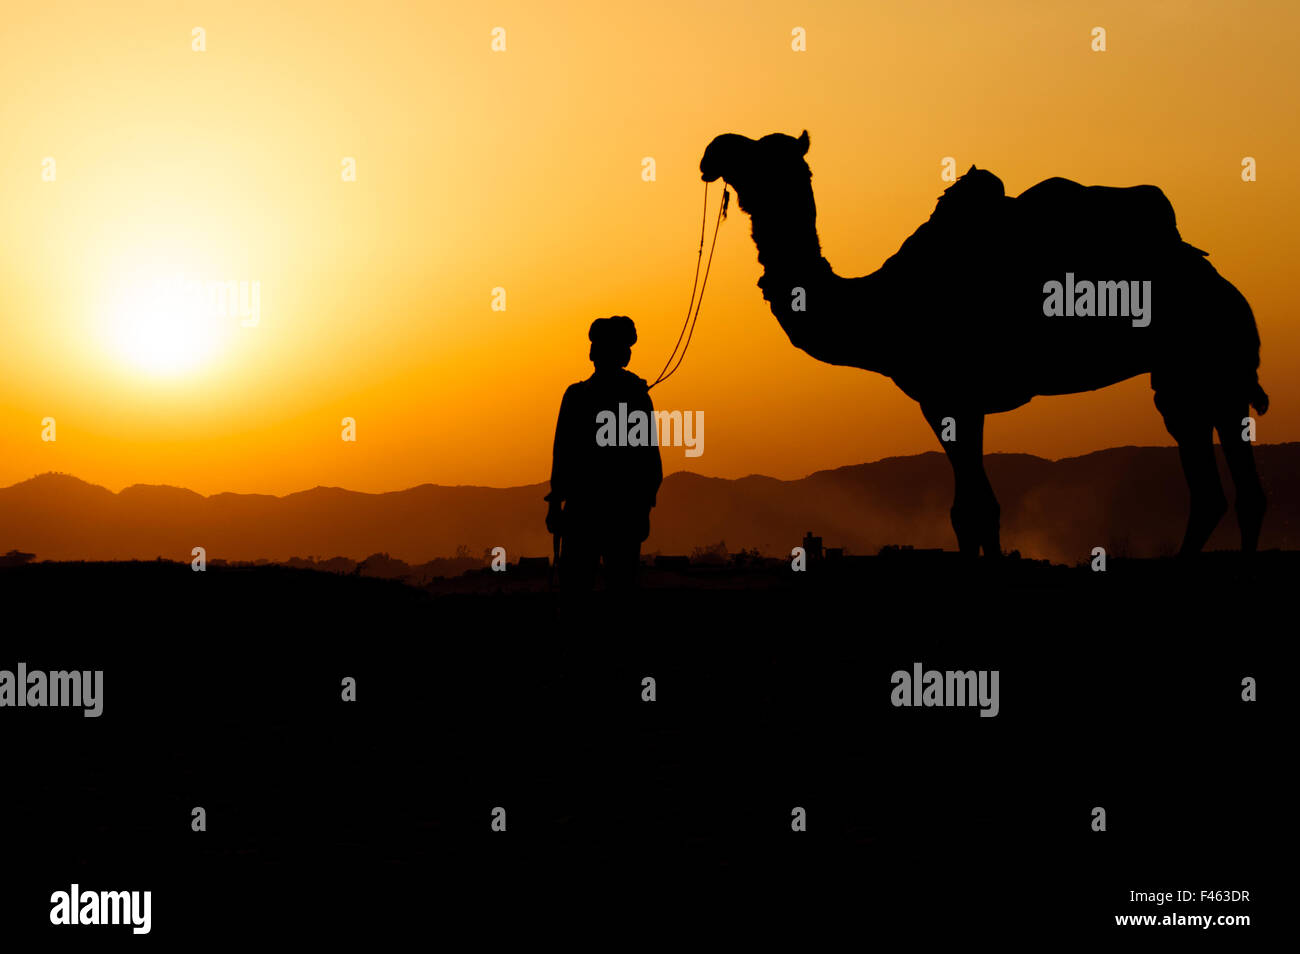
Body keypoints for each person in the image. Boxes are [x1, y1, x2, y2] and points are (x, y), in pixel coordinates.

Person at [545, 316, 663, 592]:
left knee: (579, 591)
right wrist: (644, 508)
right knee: (615, 590)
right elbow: (648, 459)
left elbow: (561, 456)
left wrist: (554, 505)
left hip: (589, 512)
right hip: (619, 513)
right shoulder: (635, 396)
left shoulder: (578, 396)